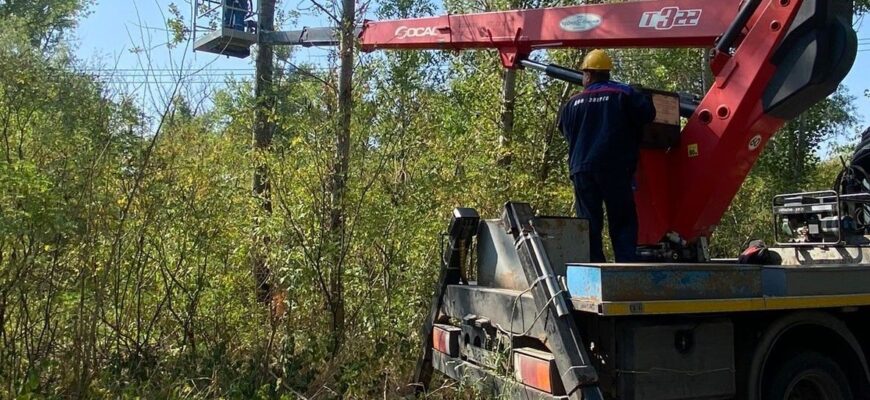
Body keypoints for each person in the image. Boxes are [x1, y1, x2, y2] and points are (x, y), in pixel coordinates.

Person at [558, 49, 656, 263]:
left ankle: (595, 266)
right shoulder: (624, 94)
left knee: (588, 221)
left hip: (582, 169)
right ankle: (626, 265)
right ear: (607, 73)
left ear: (588, 75)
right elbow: (647, 114)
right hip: (615, 167)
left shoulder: (572, 102)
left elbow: (565, 131)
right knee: (622, 218)